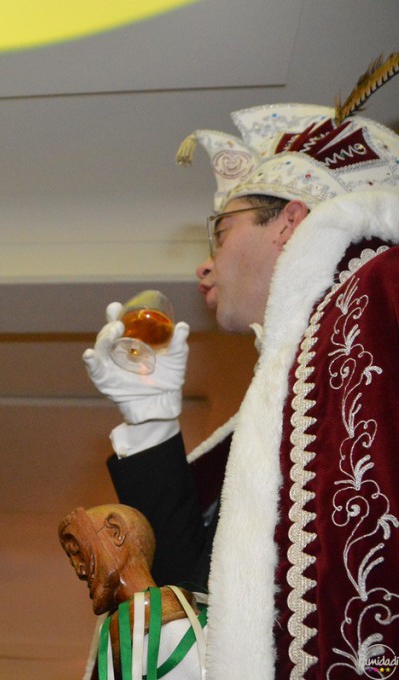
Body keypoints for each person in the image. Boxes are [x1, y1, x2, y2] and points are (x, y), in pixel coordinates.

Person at [84, 54, 399, 678]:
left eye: (220, 232)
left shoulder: (383, 290)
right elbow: (204, 592)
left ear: (290, 223)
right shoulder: (283, 398)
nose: (204, 265)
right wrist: (150, 417)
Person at [59, 504, 205, 679]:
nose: (80, 571)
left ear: (116, 531)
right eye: (73, 561)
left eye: (78, 552)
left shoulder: (186, 634)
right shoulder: (115, 641)